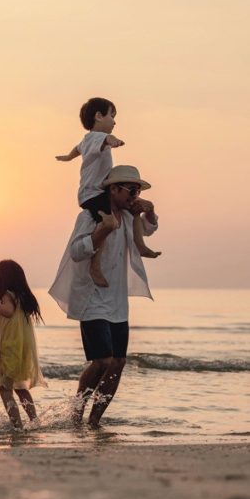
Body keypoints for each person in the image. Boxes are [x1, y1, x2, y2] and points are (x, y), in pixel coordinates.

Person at [49, 165, 159, 428]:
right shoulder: (91, 216)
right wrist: (101, 231)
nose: (135, 195)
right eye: (131, 189)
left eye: (138, 190)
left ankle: (95, 420)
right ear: (114, 189)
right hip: (92, 298)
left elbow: (149, 229)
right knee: (102, 361)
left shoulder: (130, 218)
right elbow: (76, 251)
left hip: (118, 302)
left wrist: (151, 209)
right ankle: (76, 414)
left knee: (118, 362)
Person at [56, 97, 161, 287]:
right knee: (108, 223)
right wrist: (114, 141)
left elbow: (76, 149)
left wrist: (68, 157)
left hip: (97, 192)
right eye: (112, 115)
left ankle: (141, 246)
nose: (114, 121)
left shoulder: (86, 141)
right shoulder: (96, 138)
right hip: (93, 194)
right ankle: (95, 265)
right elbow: (107, 139)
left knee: (134, 210)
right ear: (98, 116)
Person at [0, 260, 46, 430]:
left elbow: (8, 312)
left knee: (5, 388)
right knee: (20, 388)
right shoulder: (23, 297)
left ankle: (17, 426)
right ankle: (34, 421)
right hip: (21, 348)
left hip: (10, 347)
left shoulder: (7, 296)